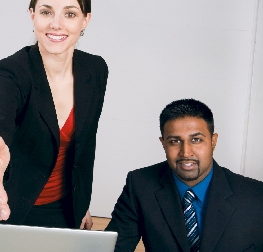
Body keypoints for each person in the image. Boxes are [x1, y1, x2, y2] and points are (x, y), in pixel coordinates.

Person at [0, 0, 108, 229]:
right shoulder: (13, 70)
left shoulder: (94, 70)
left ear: (85, 20)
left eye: (70, 14)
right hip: (9, 206)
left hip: (63, 210)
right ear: (32, 15)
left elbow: (85, 144)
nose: (56, 24)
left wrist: (80, 201)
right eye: (46, 12)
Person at [105, 98, 263, 251]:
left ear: (213, 141)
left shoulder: (255, 196)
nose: (186, 152)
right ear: (163, 143)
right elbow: (114, 247)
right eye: (174, 141)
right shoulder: (140, 185)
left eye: (196, 139)